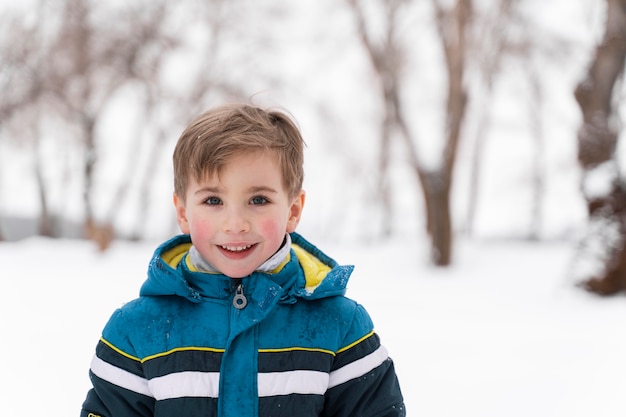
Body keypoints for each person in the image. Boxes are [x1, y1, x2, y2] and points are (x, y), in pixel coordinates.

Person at [80, 103, 405, 417]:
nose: (235, 223)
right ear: (183, 213)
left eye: (258, 199)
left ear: (293, 210)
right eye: (213, 200)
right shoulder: (135, 332)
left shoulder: (340, 327)